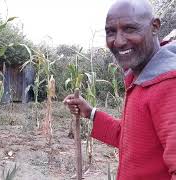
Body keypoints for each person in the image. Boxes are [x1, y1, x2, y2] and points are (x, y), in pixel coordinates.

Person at [63, 0, 176, 179]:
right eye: (111, 32)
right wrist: (90, 112)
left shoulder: (168, 84)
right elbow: (132, 140)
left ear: (154, 26)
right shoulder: (141, 77)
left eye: (130, 29)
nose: (119, 41)